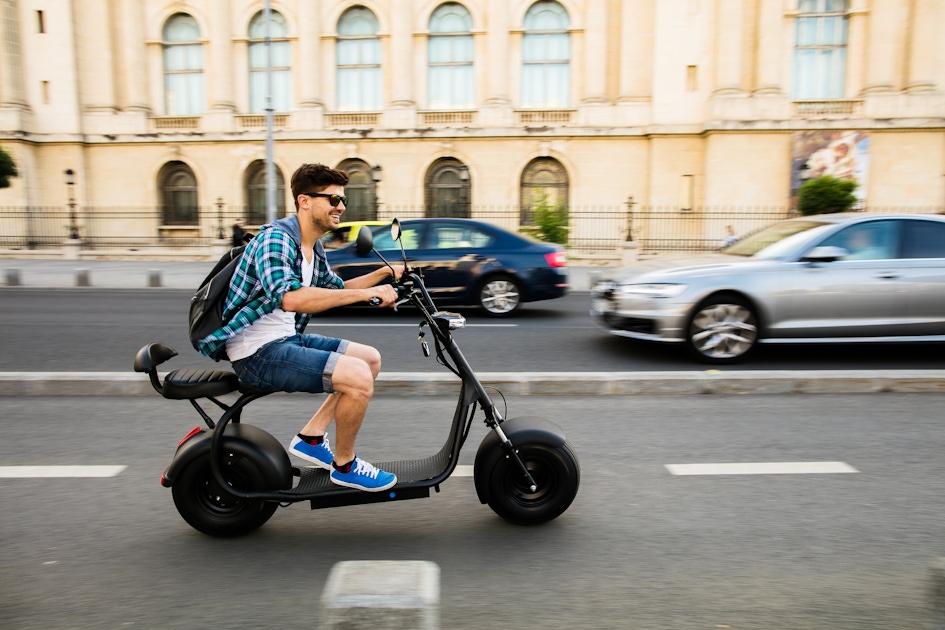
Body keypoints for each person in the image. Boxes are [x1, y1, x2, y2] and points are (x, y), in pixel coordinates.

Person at [197, 163, 401, 492]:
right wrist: (367, 294)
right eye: (333, 199)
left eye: (343, 201)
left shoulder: (311, 247)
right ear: (304, 201)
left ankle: (311, 438)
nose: (340, 208)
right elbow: (290, 298)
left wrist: (384, 275)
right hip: (257, 352)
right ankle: (344, 465)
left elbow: (336, 290)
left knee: (371, 360)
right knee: (357, 377)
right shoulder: (275, 240)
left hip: (284, 340)